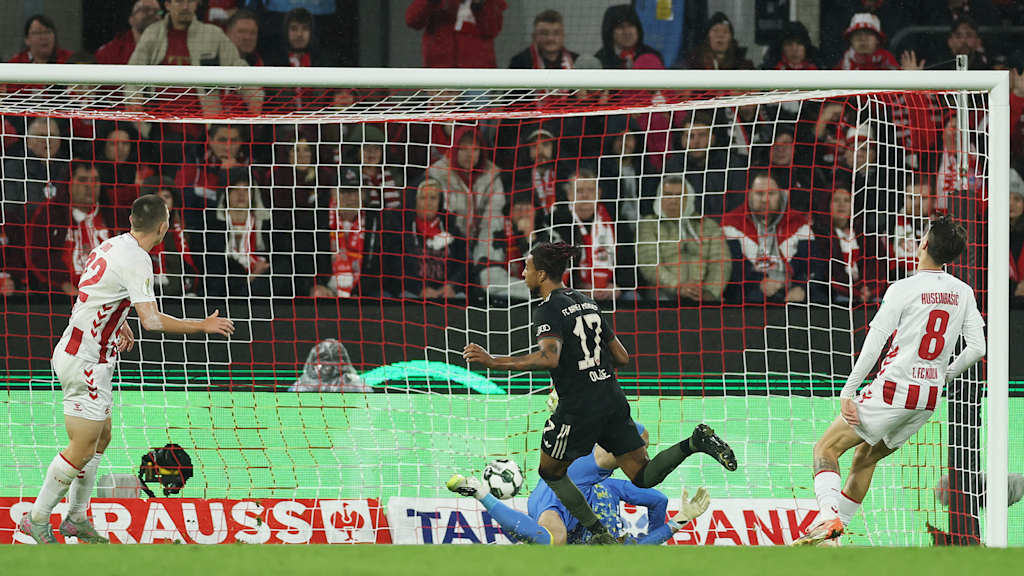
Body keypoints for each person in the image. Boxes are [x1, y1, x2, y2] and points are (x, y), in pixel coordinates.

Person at [462, 241, 737, 545]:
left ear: (541, 275)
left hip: (578, 405)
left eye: (527, 267)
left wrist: (493, 361)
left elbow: (549, 357)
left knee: (551, 473)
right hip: (612, 396)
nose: (523, 272)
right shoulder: (588, 302)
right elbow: (621, 357)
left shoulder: (547, 308)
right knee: (643, 476)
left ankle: (598, 532)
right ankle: (693, 442)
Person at [18, 194, 234, 544]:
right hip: (85, 361)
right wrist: (202, 325)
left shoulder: (110, 245)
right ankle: (36, 519)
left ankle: (75, 517)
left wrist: (118, 320)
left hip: (92, 355)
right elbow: (151, 321)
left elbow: (93, 292)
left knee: (101, 438)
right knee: (81, 447)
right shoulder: (138, 259)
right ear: (163, 227)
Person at [794, 215, 986, 546]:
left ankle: (828, 517)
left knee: (825, 448)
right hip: (927, 399)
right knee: (864, 457)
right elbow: (978, 347)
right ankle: (832, 537)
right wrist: (945, 375)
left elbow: (876, 342)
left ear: (924, 243)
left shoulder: (904, 288)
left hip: (894, 388)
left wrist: (849, 389)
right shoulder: (963, 291)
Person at [447, 422, 711, 545]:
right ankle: (573, 411)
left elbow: (645, 536)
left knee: (552, 540)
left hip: (555, 505)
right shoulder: (612, 488)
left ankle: (481, 492)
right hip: (575, 482)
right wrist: (677, 521)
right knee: (639, 441)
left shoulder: (610, 546)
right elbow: (657, 503)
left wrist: (681, 519)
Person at [720, 170, 814, 304]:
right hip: (750, 295)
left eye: (771, 194)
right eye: (759, 194)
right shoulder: (731, 222)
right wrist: (759, 282)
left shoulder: (799, 223)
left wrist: (802, 288)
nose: (765, 199)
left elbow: (814, 265)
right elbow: (734, 268)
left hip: (793, 292)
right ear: (749, 194)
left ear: (781, 195)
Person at [636, 175, 731, 304]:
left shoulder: (708, 226)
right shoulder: (649, 224)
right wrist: (677, 286)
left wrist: (710, 291)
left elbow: (721, 262)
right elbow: (649, 263)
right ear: (659, 198)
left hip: (703, 293)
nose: (674, 200)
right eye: (668, 195)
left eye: (680, 195)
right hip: (664, 293)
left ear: (689, 198)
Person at [405, 0, 507, 69]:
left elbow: (492, 29)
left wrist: (481, 4)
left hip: (477, 72)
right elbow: (412, 20)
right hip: (440, 70)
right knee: (443, 101)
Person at [594, 5, 663, 70]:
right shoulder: (600, 60)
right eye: (620, 27)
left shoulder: (652, 55)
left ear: (638, 29)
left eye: (631, 26)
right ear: (609, 32)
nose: (627, 32)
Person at [95, 0, 162, 65]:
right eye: (145, 10)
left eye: (157, 11)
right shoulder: (111, 51)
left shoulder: (168, 45)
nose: (152, 13)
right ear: (131, 19)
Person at [508, 10, 578, 70]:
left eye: (556, 33)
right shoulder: (519, 63)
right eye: (544, 33)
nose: (550, 38)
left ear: (563, 36)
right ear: (534, 36)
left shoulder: (576, 61)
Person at [686, 11, 753, 70]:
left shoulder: (743, 66)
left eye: (725, 32)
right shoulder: (693, 62)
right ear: (708, 36)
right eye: (715, 31)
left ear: (731, 38)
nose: (720, 36)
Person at [8, 14, 73, 64]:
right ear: (27, 40)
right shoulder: (15, 65)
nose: (43, 37)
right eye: (37, 33)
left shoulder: (70, 60)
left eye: (47, 32)